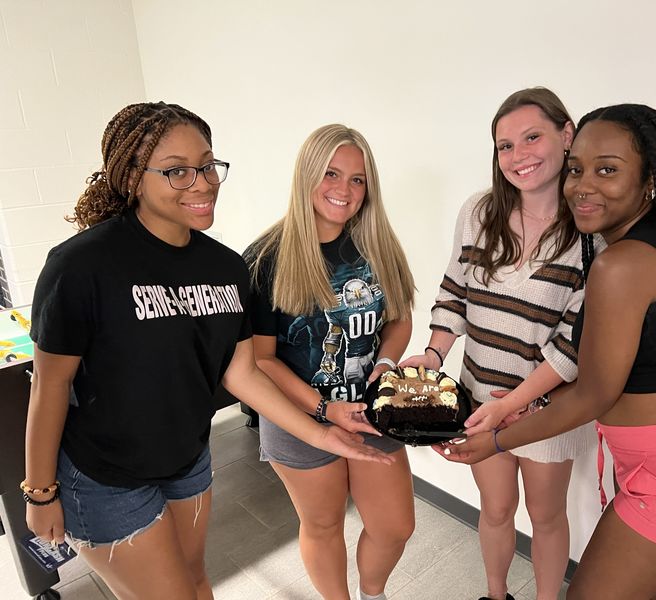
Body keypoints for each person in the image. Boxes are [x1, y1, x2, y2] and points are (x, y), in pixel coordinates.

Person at [23, 102, 393, 600]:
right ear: (132, 176)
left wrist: (323, 435)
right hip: (106, 477)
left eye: (207, 165)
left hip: (188, 462)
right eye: (177, 171)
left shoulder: (223, 267)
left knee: (198, 582)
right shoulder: (82, 265)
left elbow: (242, 373)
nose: (202, 183)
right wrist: (40, 491)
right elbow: (50, 385)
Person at [438, 104, 656, 599]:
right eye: (577, 170)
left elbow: (591, 393)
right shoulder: (646, 245)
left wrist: (499, 440)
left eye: (608, 170)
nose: (582, 185)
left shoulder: (620, 265)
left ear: (650, 179)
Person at [402, 88, 598, 600]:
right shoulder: (480, 211)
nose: (518, 156)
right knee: (494, 509)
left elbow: (572, 345)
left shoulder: (590, 232)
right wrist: (433, 353)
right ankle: (495, 595)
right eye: (504, 146)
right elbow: (454, 292)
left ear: (567, 134)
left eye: (532, 137)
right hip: (480, 397)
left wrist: (512, 406)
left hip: (545, 408)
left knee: (547, 515)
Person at [244, 124, 416, 600]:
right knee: (322, 526)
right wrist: (324, 410)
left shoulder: (376, 244)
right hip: (299, 417)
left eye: (357, 179)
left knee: (395, 526)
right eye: (331, 173)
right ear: (306, 176)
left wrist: (383, 366)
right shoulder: (265, 258)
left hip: (372, 412)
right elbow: (261, 361)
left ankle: (372, 594)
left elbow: (399, 319)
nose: (344, 190)